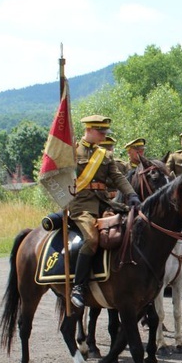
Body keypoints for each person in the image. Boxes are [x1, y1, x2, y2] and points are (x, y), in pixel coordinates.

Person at [69, 115, 141, 309]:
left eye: (104, 133)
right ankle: (78, 286)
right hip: (81, 205)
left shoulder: (105, 155)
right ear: (89, 130)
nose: (103, 136)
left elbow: (118, 178)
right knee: (92, 239)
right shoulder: (72, 151)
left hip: (103, 203)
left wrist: (132, 195)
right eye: (100, 132)